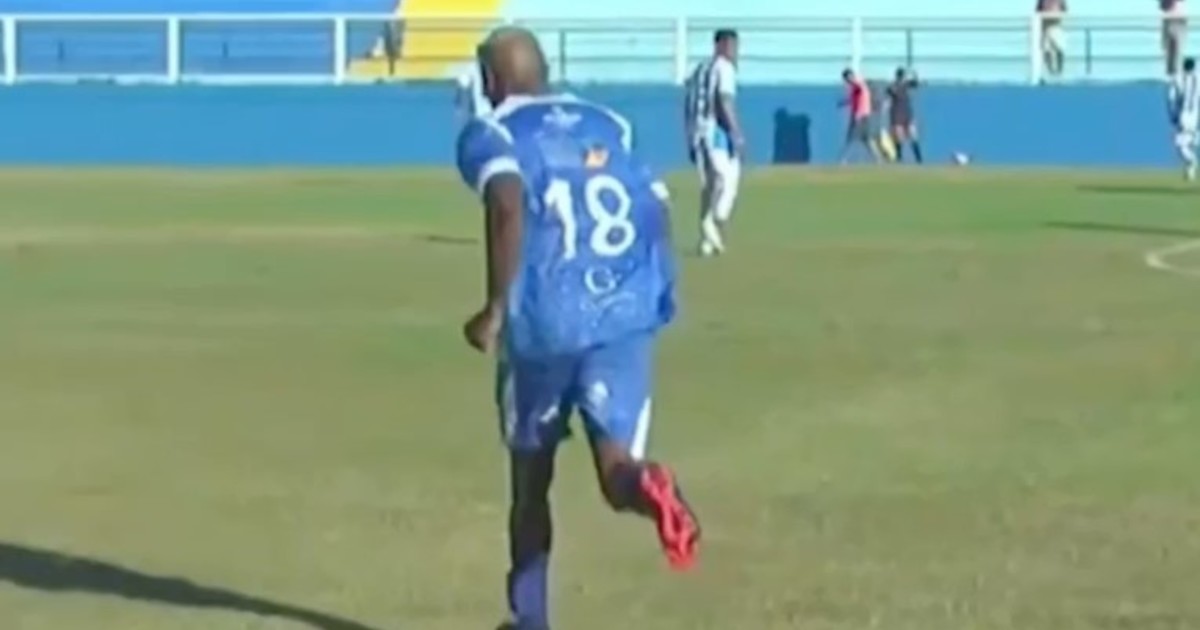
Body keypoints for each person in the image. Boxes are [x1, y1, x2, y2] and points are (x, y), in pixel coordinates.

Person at [455, 26, 701, 630]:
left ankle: (529, 620)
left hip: (545, 322)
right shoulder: (608, 123)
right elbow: (656, 203)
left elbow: (507, 202)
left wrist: (495, 307)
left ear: (491, 79)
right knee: (616, 471)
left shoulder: (492, 132)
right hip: (623, 313)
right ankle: (650, 485)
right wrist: (657, 286)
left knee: (530, 483)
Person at [685, 29, 744, 257]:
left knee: (713, 182)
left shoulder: (700, 68)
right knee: (722, 179)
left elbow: (688, 103)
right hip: (715, 131)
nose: (734, 51)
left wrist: (688, 133)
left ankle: (707, 239)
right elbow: (724, 100)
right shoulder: (724, 68)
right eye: (731, 46)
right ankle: (711, 223)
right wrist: (736, 132)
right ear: (720, 45)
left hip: (699, 131)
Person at [839, 68, 881, 164]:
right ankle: (877, 158)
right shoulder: (855, 87)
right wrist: (844, 103)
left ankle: (843, 159)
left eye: (847, 78)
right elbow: (855, 99)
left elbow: (862, 95)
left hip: (860, 115)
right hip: (863, 114)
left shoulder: (858, 85)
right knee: (866, 139)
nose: (847, 81)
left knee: (851, 138)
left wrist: (858, 114)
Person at [1169, 57, 1200, 180]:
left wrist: (1172, 114)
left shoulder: (1178, 78)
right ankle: (1190, 170)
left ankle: (1192, 161)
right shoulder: (1198, 78)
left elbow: (1170, 97)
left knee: (1180, 145)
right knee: (1189, 141)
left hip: (1184, 114)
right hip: (1195, 115)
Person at [885, 68, 923, 164]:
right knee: (899, 136)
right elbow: (890, 93)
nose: (902, 78)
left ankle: (919, 158)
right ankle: (899, 157)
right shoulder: (893, 85)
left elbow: (916, 83)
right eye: (901, 76)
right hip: (897, 113)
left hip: (907, 113)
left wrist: (915, 74)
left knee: (913, 134)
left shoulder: (906, 84)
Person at [456, 46, 491, 124]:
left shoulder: (471, 66)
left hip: (481, 112)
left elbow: (463, 84)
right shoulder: (472, 67)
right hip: (487, 111)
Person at [1037, 0, 1067, 79]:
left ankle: (1059, 71)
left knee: (1059, 48)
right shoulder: (1041, 1)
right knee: (1046, 50)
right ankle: (1050, 71)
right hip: (1045, 27)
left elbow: (1064, 10)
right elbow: (1037, 11)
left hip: (1055, 26)